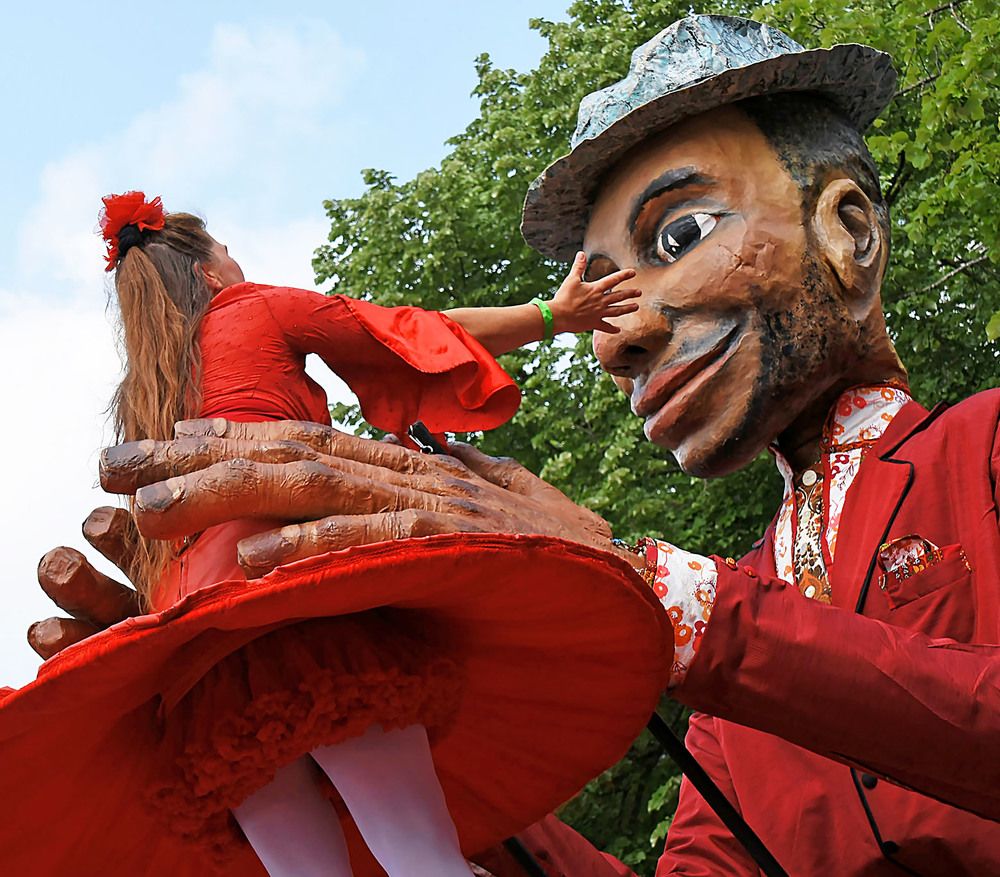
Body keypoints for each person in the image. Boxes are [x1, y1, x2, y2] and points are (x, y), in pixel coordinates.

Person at [80, 14, 999, 876]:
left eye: (679, 233)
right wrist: (341, 728)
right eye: (597, 291)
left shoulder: (983, 448)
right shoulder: (733, 641)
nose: (612, 336)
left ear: (848, 230)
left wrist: (654, 589)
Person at [82, 189, 647, 877]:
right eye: (227, 251)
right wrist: (554, 315)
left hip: (206, 665)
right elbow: (401, 332)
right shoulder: (247, 305)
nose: (236, 259)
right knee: (423, 859)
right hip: (299, 610)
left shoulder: (139, 394)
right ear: (206, 273)